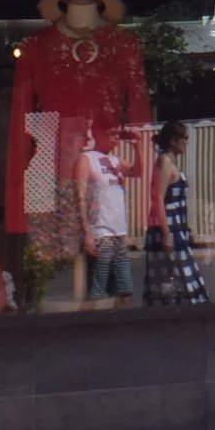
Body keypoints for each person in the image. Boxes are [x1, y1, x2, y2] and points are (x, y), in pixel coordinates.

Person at [144, 120, 207, 306]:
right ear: (173, 141)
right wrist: (166, 234)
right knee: (171, 280)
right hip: (168, 228)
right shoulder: (164, 161)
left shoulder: (171, 162)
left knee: (179, 278)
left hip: (177, 227)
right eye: (184, 139)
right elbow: (157, 198)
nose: (186, 143)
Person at [76, 125, 135, 302]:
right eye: (111, 134)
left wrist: (137, 147)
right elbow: (80, 197)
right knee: (98, 286)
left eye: (117, 135)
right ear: (98, 133)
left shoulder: (116, 161)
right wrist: (87, 232)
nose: (115, 138)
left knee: (125, 287)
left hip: (118, 231)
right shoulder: (87, 159)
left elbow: (136, 171)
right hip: (100, 231)